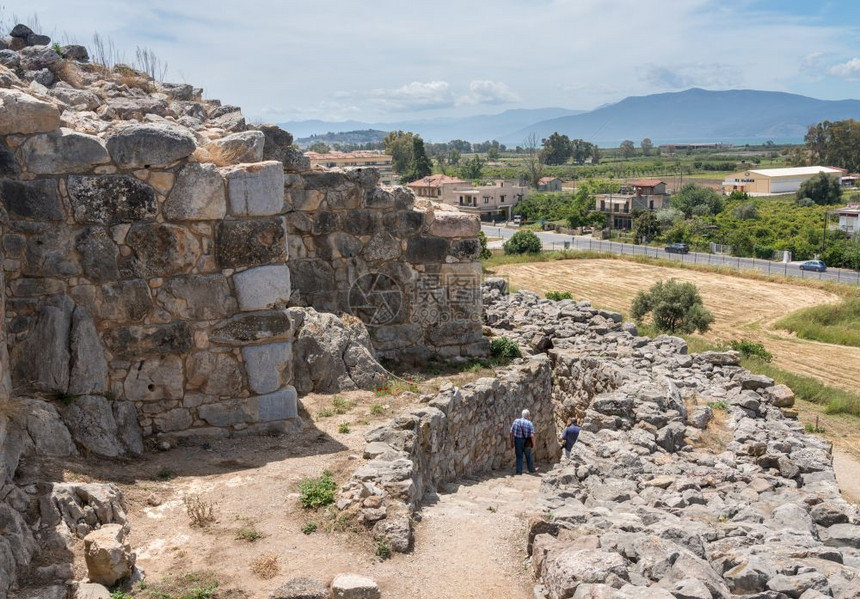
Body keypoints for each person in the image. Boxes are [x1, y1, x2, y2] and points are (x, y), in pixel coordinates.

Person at [510, 409, 537, 475]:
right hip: (527, 441)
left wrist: (511, 442)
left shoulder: (516, 421)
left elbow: (511, 432)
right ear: (528, 415)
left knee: (519, 456)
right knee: (528, 456)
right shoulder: (529, 423)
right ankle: (531, 470)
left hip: (518, 440)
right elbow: (532, 435)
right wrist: (533, 443)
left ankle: (519, 471)